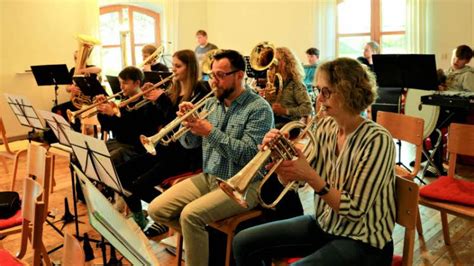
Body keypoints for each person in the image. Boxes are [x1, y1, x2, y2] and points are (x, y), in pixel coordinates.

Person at [233, 57, 396, 266]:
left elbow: (354, 209)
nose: (319, 99)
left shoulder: (377, 140)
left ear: (348, 92)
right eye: (318, 90)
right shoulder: (327, 127)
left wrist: (309, 174)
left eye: (325, 92)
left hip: (364, 241)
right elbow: (295, 183)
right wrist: (280, 161)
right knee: (243, 242)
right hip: (326, 225)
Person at [148, 49, 274, 266]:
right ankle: (202, 242)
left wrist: (209, 132)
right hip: (210, 177)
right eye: (211, 75)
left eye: (220, 75)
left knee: (190, 216)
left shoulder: (259, 109)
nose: (214, 81)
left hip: (244, 186)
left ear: (239, 75)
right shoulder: (212, 102)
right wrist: (188, 125)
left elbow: (249, 156)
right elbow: (191, 145)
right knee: (156, 209)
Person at [115, 50, 209, 234]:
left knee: (139, 185)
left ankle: (166, 211)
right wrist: (151, 99)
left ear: (190, 67)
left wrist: (162, 100)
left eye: (178, 66)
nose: (173, 70)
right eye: (173, 65)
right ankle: (141, 218)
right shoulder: (172, 89)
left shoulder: (200, 90)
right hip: (164, 149)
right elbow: (158, 122)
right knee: (120, 174)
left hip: (185, 154)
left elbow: (180, 123)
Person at [96, 66, 171, 167]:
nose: (121, 87)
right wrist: (102, 111)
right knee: (91, 155)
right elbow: (108, 127)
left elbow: (130, 133)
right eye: (120, 83)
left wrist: (113, 114)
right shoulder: (124, 102)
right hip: (119, 142)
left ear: (137, 83)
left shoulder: (148, 105)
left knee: (104, 162)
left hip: (135, 147)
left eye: (125, 83)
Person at [261, 47, 313, 129]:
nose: (272, 64)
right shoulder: (275, 83)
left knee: (265, 130)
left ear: (284, 63)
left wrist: (285, 111)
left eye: (276, 60)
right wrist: (265, 97)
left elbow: (308, 109)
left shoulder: (296, 84)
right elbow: (271, 107)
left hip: (290, 124)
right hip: (275, 121)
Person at [52, 50, 102, 132]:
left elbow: (99, 69)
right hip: (77, 101)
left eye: (80, 58)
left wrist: (82, 71)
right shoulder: (72, 70)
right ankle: (64, 132)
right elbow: (67, 88)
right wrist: (71, 88)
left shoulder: (91, 67)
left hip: (90, 102)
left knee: (75, 114)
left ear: (86, 58)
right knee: (55, 109)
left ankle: (77, 134)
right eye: (75, 58)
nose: (77, 60)